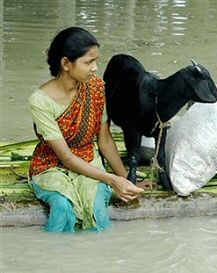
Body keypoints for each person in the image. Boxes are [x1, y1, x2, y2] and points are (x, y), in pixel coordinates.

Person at [28, 26, 144, 232]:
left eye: (96, 61)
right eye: (88, 62)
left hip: (89, 159)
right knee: (63, 209)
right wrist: (112, 180)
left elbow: (105, 140)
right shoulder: (40, 101)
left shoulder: (96, 87)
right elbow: (66, 158)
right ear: (65, 63)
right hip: (50, 165)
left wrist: (126, 180)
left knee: (97, 211)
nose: (95, 68)